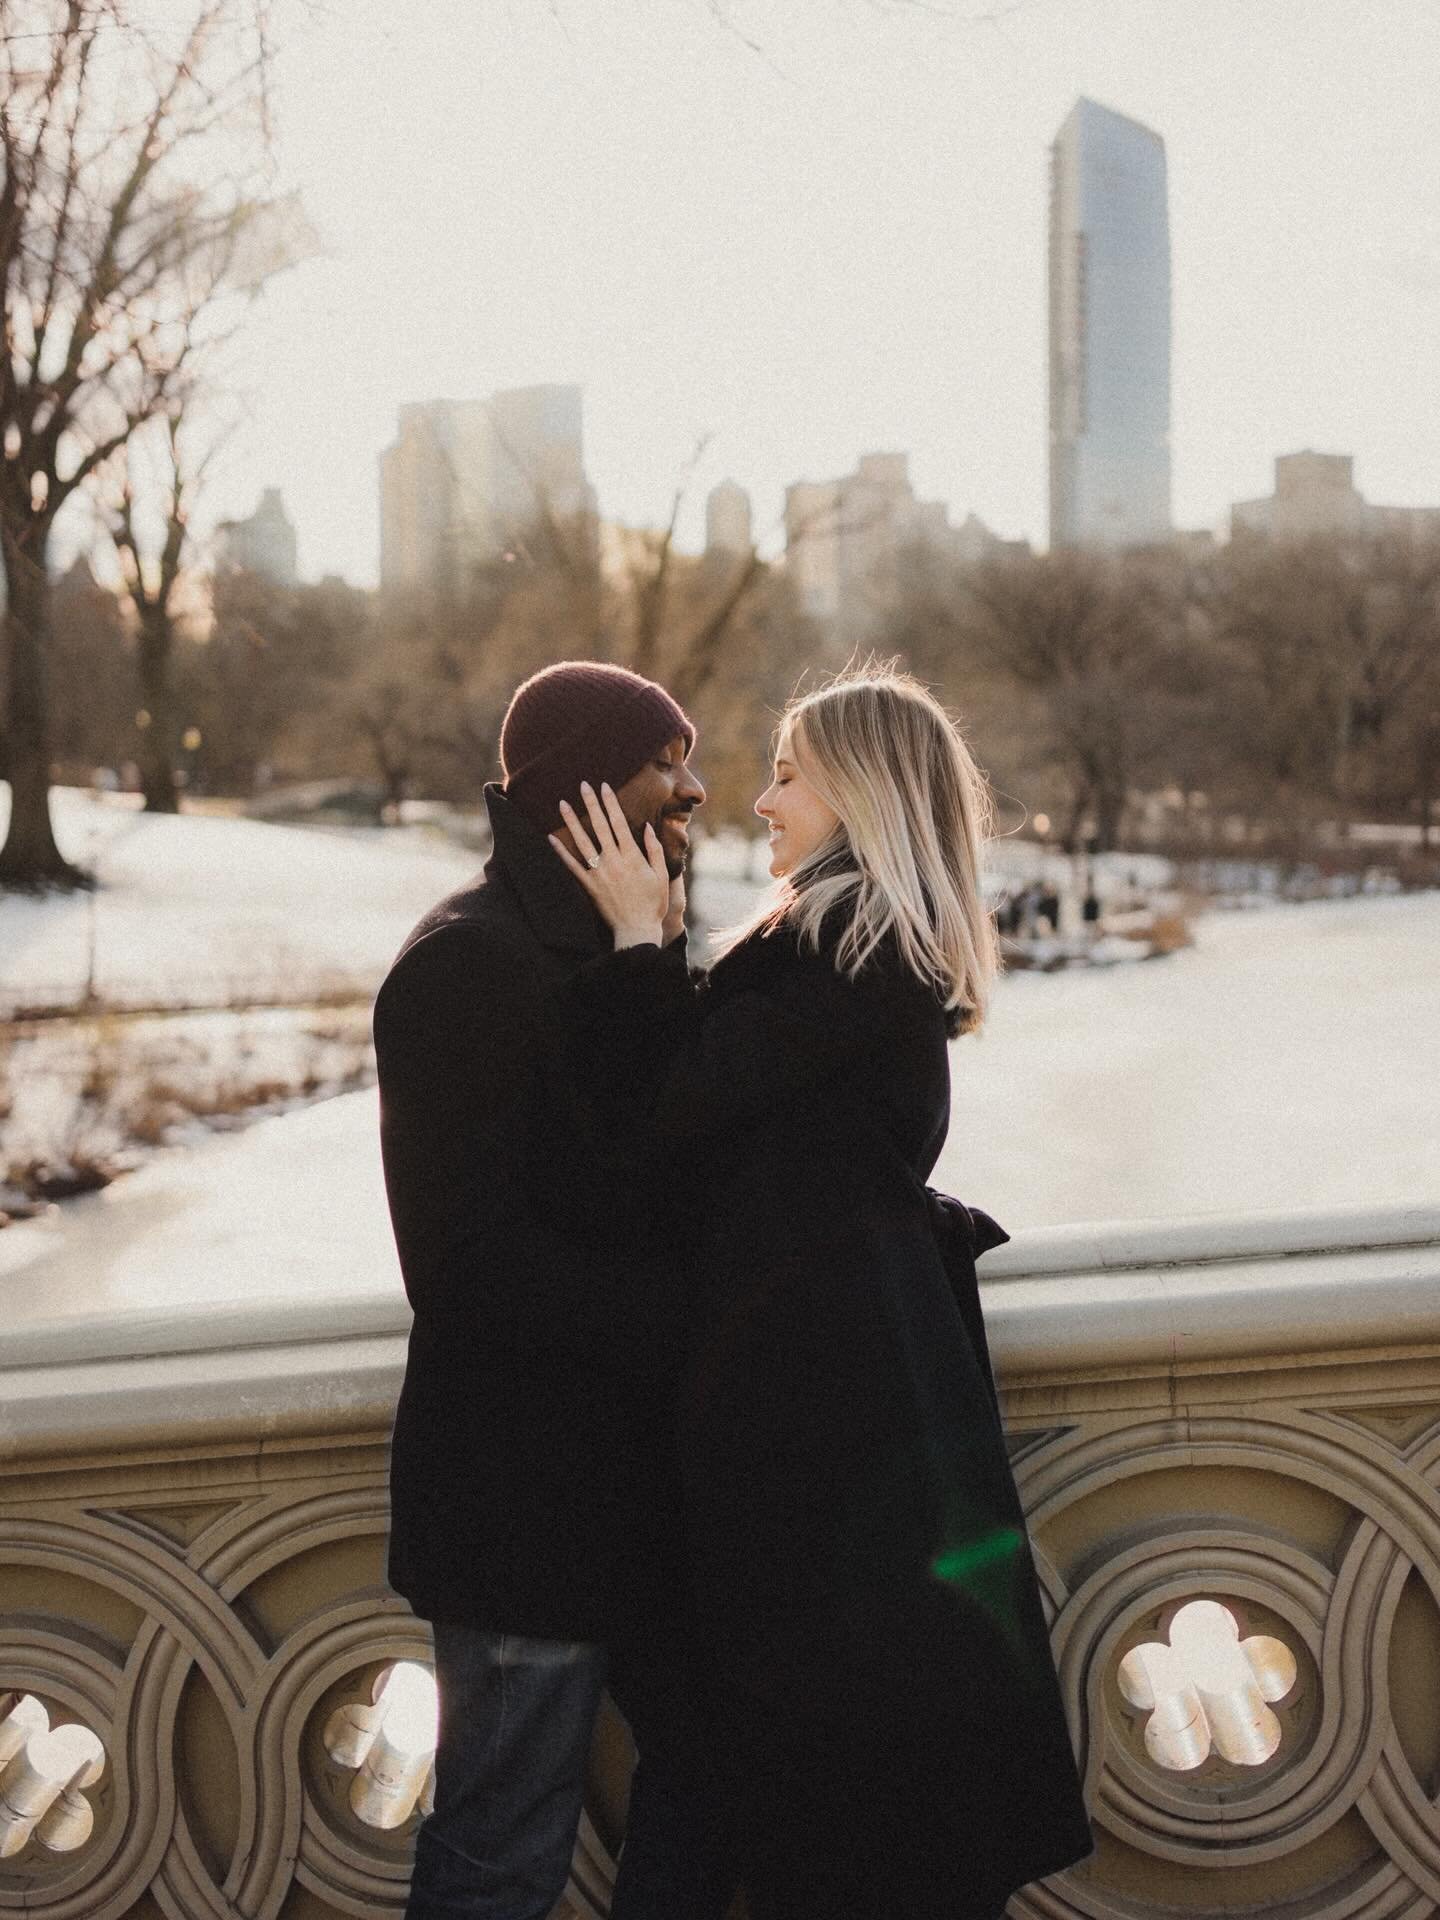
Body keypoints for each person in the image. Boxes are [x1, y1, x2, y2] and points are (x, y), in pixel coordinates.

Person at [553, 666, 1094, 1920]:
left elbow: (660, 1120)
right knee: (783, 1783)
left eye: (789, 774)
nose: (759, 801)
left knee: (806, 1791)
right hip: (838, 1428)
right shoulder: (858, 949)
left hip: (813, 1448)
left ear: (864, 792)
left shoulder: (851, 953)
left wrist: (638, 944)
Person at [373, 660, 737, 1920]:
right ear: (581, 787)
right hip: (521, 1505)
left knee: (723, 1768)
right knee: (501, 1854)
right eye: (664, 762)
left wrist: (652, 957)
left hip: (647, 1498)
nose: (695, 788)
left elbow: (672, 1170)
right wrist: (694, 1320)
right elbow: (465, 1268)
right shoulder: (465, 964)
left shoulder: (629, 943)